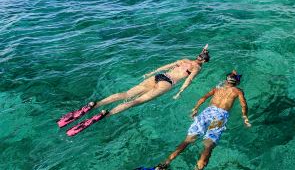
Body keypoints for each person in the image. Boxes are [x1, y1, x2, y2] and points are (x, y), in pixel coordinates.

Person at [130, 70, 250, 170]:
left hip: (208, 112)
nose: (231, 76)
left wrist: (196, 108)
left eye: (232, 75)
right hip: (217, 115)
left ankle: (164, 165)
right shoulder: (234, 90)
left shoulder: (225, 88)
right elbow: (241, 104)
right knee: (206, 146)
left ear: (232, 80)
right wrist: (244, 116)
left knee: (190, 142)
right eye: (231, 75)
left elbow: (205, 98)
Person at [57, 45, 210, 136]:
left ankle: (95, 104)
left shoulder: (184, 60)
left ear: (198, 55)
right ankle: (106, 113)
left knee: (126, 94)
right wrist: (179, 92)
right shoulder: (196, 68)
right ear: (204, 61)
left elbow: (166, 66)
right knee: (135, 101)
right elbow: (188, 80)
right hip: (168, 82)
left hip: (160, 75)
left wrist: (151, 73)